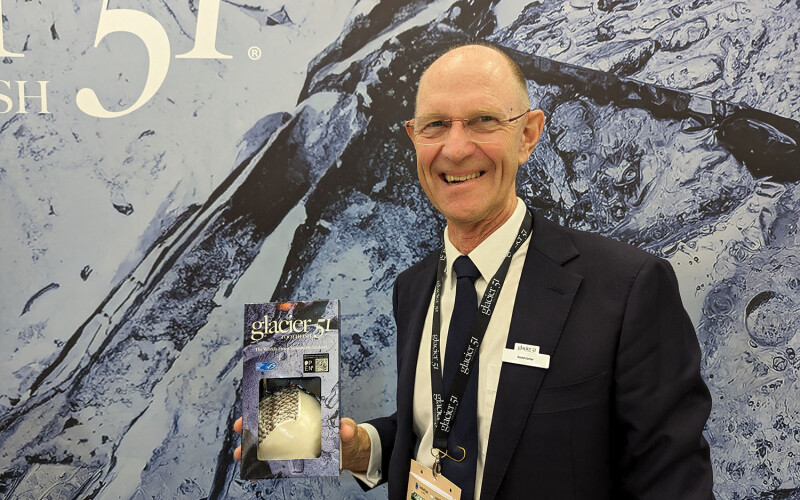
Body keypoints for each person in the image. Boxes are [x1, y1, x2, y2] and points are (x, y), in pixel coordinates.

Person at [236, 42, 715, 499]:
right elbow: (441, 423)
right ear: (414, 139)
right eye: (436, 125)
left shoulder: (628, 288)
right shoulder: (414, 287)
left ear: (527, 134)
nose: (457, 148)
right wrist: (363, 448)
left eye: (483, 121)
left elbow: (672, 485)